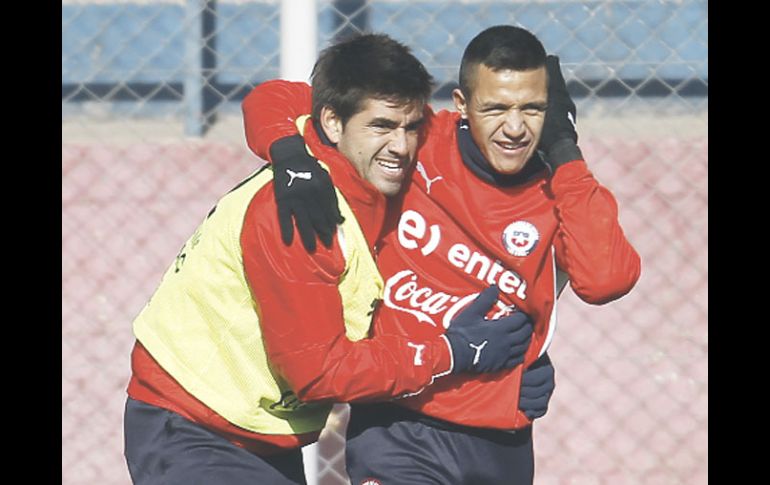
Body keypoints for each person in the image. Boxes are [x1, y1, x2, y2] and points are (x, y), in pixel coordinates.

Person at [122, 33, 540, 485]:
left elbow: (274, 96)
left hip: (257, 434)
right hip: (189, 425)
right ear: (333, 124)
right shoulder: (303, 218)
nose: (401, 146)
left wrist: (516, 362)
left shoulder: (348, 143)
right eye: (381, 126)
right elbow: (320, 373)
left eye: (411, 125)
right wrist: (454, 352)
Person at [242, 25, 641, 484]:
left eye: (532, 109)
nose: (515, 128)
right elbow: (270, 99)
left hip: (499, 437)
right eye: (496, 109)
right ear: (461, 105)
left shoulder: (561, 192)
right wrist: (291, 152)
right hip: (397, 424)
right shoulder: (416, 137)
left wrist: (566, 152)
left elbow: (606, 279)